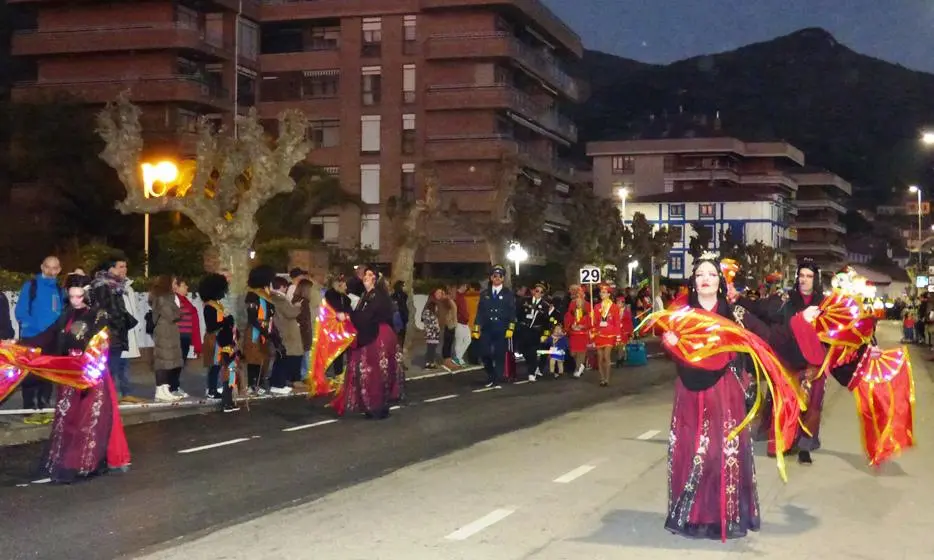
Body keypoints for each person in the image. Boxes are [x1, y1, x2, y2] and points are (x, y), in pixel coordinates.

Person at [661, 253, 820, 541]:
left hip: (725, 393)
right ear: (693, 282)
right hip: (689, 394)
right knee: (693, 452)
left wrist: (801, 320)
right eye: (700, 275)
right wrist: (669, 342)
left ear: (719, 281)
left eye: (711, 274)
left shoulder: (735, 314)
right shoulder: (682, 314)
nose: (705, 279)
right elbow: (672, 345)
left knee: (720, 456)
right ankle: (694, 516)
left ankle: (722, 515)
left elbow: (772, 337)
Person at [39, 274, 131, 483]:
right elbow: (48, 336)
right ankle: (67, 460)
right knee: (68, 418)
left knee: (89, 420)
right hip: (69, 374)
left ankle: (86, 463)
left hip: (91, 374)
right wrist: (20, 345)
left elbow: (100, 347)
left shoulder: (98, 315)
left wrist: (88, 370)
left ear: (87, 295)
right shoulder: (66, 315)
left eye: (79, 296)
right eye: (72, 297)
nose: (76, 300)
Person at [331, 266, 404, 418]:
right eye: (365, 274)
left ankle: (377, 406)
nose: (366, 276)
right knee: (370, 372)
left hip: (378, 336)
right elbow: (362, 314)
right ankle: (374, 405)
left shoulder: (377, 295)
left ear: (375, 279)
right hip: (372, 334)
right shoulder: (367, 294)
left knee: (375, 372)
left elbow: (367, 316)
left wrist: (348, 317)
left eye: (370, 274)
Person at [15, 255, 63, 421]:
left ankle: (43, 406)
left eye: (54, 268)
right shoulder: (31, 285)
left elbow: (61, 314)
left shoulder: (59, 289)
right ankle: (28, 409)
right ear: (42, 267)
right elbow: (20, 312)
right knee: (29, 375)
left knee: (47, 374)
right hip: (32, 337)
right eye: (48, 267)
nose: (51, 271)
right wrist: (34, 328)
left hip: (52, 338)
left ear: (59, 270)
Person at [90, 256, 139, 402]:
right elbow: (108, 311)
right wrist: (121, 322)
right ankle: (105, 399)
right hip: (111, 334)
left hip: (118, 333)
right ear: (110, 269)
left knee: (115, 367)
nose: (124, 270)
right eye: (121, 267)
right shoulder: (104, 286)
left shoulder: (118, 286)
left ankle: (111, 397)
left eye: (125, 266)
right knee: (109, 369)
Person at [472, 265, 516, 388]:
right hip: (487, 328)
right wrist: (476, 328)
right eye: (494, 276)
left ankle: (496, 379)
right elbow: (480, 312)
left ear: (503, 279)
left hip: (502, 328)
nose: (497, 278)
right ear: (491, 278)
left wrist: (511, 328)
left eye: (499, 276)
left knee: (499, 354)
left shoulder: (508, 294)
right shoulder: (485, 293)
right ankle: (491, 375)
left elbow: (512, 312)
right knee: (484, 353)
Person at [199, 273, 234, 403]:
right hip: (215, 339)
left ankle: (216, 387)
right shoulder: (210, 306)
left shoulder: (216, 304)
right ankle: (211, 390)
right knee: (214, 365)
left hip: (220, 338)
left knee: (219, 365)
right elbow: (212, 325)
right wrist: (227, 321)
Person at [149, 275, 183, 402]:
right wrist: (178, 312)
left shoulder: (167, 297)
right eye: (174, 283)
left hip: (169, 331)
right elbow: (172, 315)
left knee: (168, 361)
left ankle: (165, 389)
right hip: (164, 331)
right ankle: (160, 390)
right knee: (163, 361)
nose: (175, 286)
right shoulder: (163, 298)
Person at [244, 265, 278, 395]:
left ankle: (259, 382)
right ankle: (252, 384)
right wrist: (263, 329)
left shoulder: (266, 295)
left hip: (265, 329)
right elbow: (252, 316)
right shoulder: (252, 295)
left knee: (263, 356)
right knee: (254, 357)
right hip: (255, 330)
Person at [517, 281, 554, 383]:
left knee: (533, 352)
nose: (538, 293)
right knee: (524, 351)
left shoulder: (545, 305)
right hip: (524, 330)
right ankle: (531, 366)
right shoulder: (525, 301)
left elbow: (547, 321)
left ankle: (531, 372)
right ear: (533, 291)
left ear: (543, 294)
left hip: (535, 332)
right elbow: (518, 314)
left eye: (540, 292)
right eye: (536, 291)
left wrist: (545, 334)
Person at [593, 283, 623, 387]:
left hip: (610, 334)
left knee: (606, 356)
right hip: (599, 334)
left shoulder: (614, 307)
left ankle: (607, 378)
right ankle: (602, 378)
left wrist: (618, 335)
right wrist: (593, 330)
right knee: (600, 357)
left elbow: (617, 322)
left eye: (604, 292)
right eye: (601, 292)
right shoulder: (597, 307)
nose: (602, 294)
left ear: (609, 294)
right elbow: (595, 322)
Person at [564, 285, 592, 378]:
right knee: (573, 353)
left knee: (581, 351)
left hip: (583, 333)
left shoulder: (588, 305)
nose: (579, 298)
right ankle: (581, 365)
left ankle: (578, 368)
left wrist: (583, 326)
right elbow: (569, 317)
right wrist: (571, 326)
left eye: (581, 295)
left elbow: (591, 319)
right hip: (574, 333)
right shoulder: (572, 304)